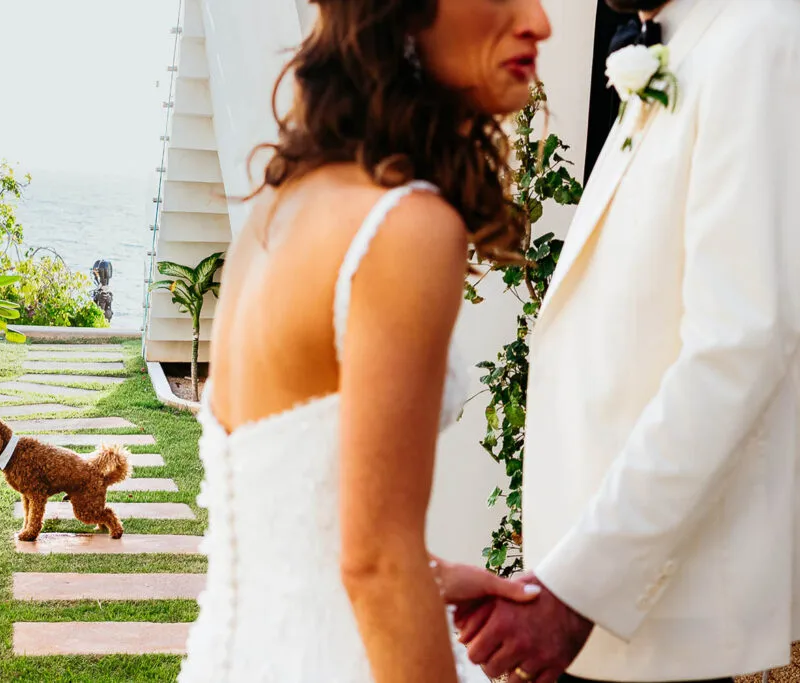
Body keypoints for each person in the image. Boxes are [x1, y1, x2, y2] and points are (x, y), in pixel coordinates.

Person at [452, 0, 800, 681]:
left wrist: (577, 590)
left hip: (648, 608)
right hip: (602, 611)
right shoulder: (681, 42)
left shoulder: (769, 36)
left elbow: (738, 347)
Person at [176, 0, 552, 681]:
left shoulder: (278, 206)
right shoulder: (404, 225)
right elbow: (374, 564)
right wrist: (402, 567)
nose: (540, 22)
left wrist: (432, 574)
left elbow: (289, 524)